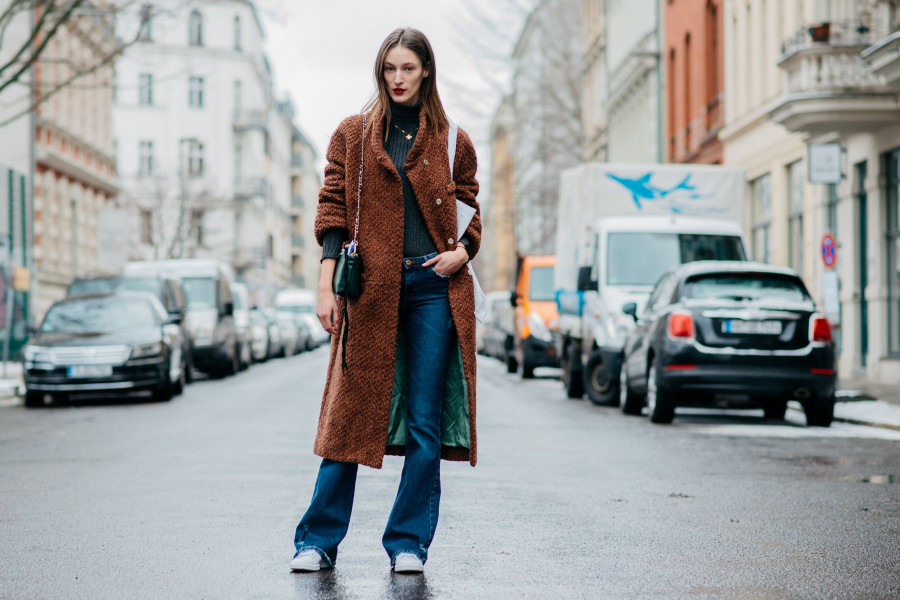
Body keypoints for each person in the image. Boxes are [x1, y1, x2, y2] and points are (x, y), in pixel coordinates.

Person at [289, 28, 481, 575]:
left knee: (424, 420)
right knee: (350, 413)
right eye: (390, 68)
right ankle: (319, 539)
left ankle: (407, 543)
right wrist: (326, 285)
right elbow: (331, 210)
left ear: (426, 72)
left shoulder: (451, 141)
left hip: (431, 289)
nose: (398, 79)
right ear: (380, 71)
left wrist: (460, 255)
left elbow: (471, 214)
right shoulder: (352, 135)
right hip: (368, 287)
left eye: (408, 68)